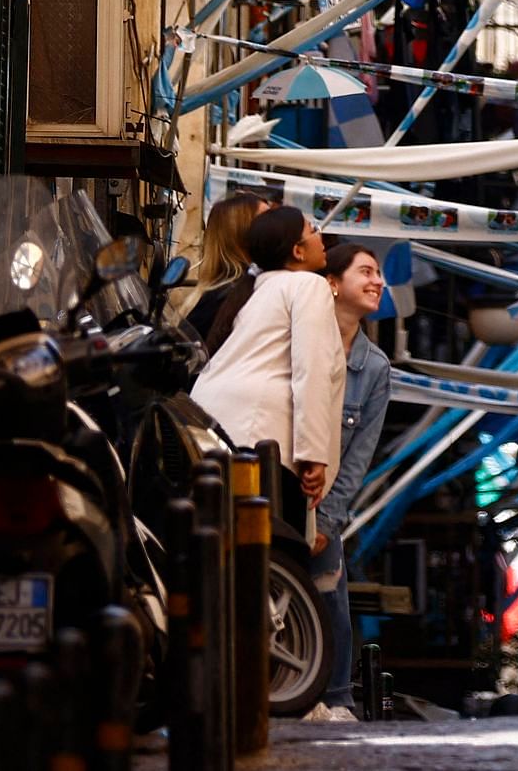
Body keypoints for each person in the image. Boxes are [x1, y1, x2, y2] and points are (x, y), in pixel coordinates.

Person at [188, 202, 342, 503]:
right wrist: (313, 453)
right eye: (314, 230)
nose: (322, 237)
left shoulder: (258, 286)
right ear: (298, 251)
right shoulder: (309, 285)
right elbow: (311, 368)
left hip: (210, 421)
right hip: (254, 435)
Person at [300, 239, 394, 724]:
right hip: (277, 484)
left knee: (329, 592)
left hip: (325, 503)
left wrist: (330, 518)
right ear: (332, 283)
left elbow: (359, 456)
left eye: (379, 273)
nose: (378, 280)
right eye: (366, 271)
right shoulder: (297, 340)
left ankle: (337, 700)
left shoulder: (375, 368)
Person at [176, 193, 262, 355]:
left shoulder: (242, 285)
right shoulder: (232, 293)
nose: (275, 223)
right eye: (266, 218)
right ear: (242, 233)